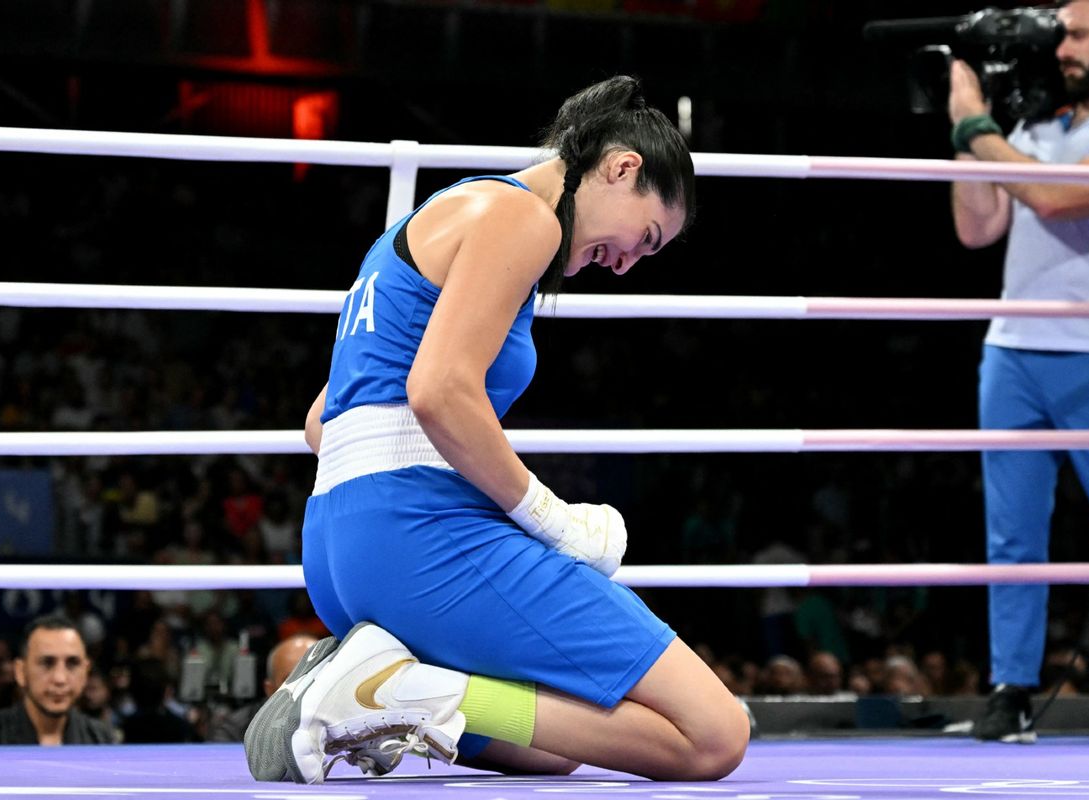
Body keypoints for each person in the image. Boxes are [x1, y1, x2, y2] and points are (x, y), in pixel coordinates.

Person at [242, 75, 749, 784]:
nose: (629, 262)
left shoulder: (439, 217)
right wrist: (552, 520)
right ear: (622, 167)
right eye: (647, 236)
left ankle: (391, 690)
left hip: (337, 553)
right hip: (411, 535)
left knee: (557, 745)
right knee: (714, 736)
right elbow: (438, 391)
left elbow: (320, 422)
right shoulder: (523, 218)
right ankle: (387, 689)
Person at [947, 0, 1089, 743]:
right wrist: (970, 132)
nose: (1061, 50)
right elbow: (978, 226)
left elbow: (1057, 197)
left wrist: (974, 125)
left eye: (1077, 35)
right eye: (1056, 36)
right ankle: (1010, 689)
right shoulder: (1035, 128)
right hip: (1011, 348)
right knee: (1012, 536)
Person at [0, 615, 113, 745]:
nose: (60, 678)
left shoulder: (102, 741)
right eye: (47, 663)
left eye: (72, 663)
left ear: (85, 672)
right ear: (20, 672)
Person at [208, 635, 318, 742]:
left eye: (316, 677)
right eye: (292, 681)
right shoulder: (235, 732)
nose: (306, 689)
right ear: (270, 690)